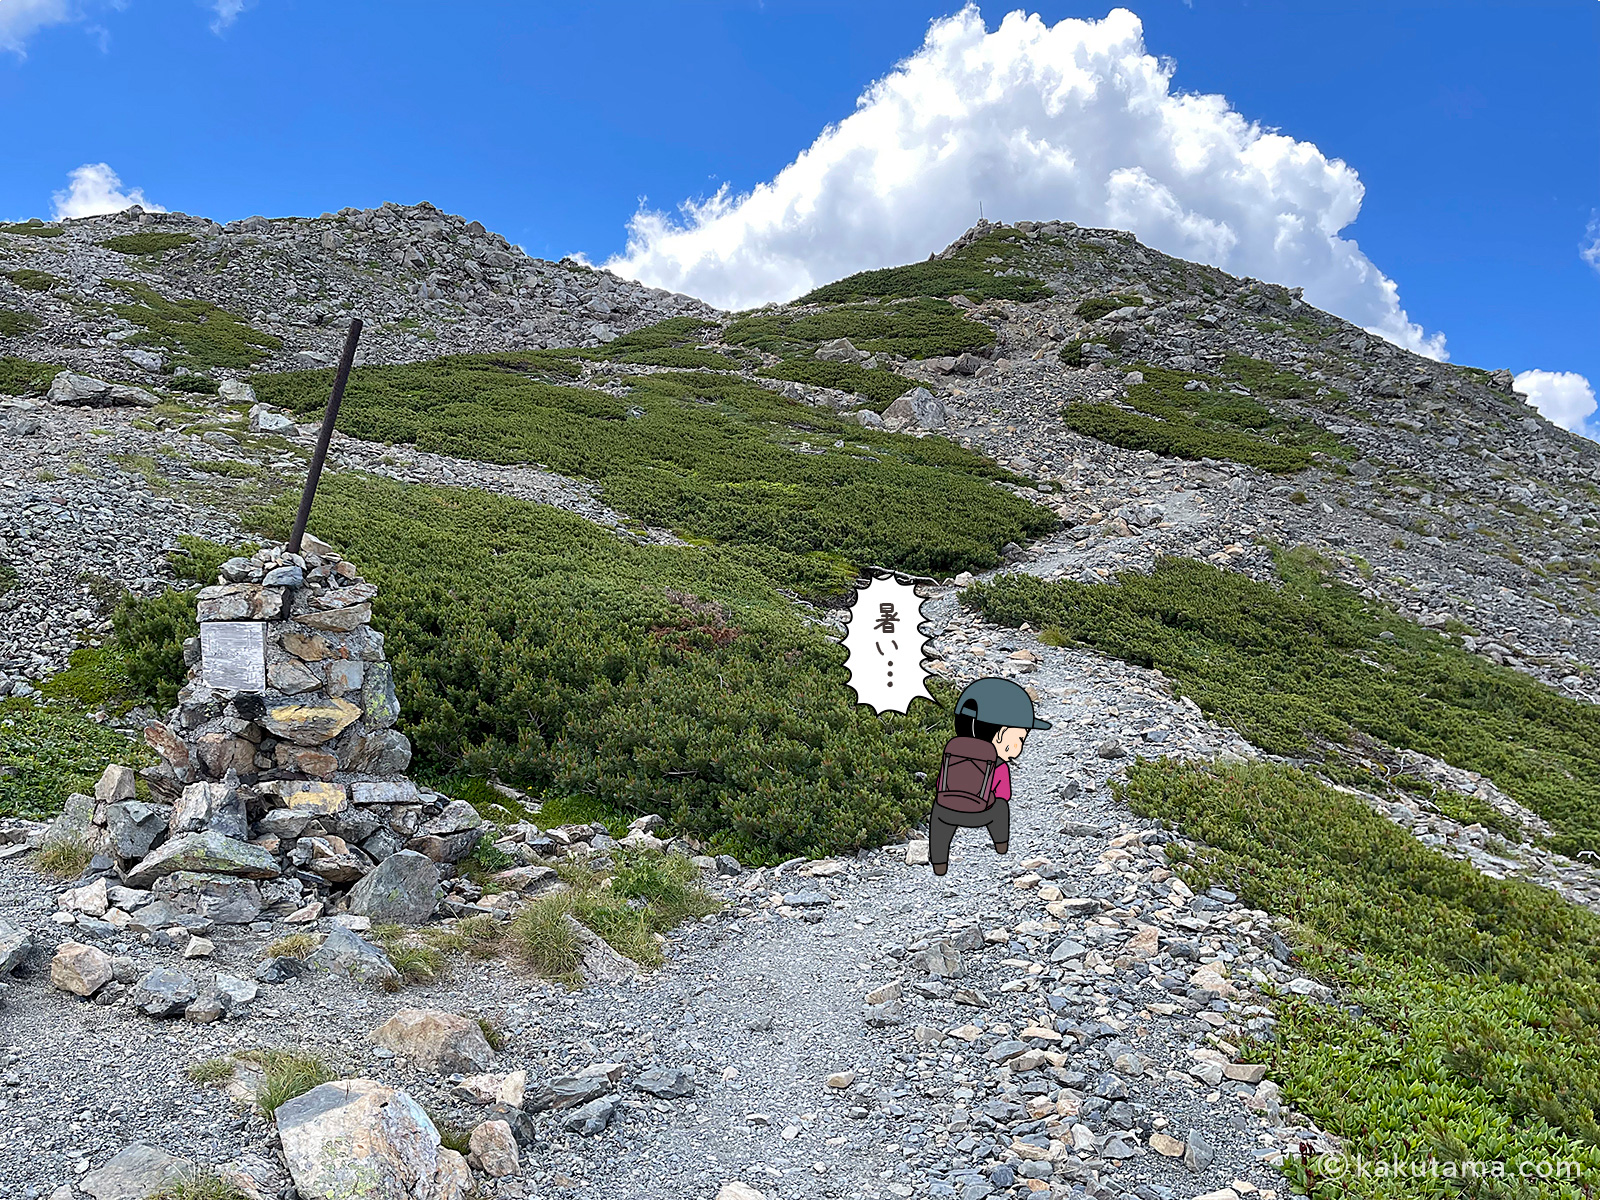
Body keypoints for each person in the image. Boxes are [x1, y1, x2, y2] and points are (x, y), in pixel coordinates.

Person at [928, 676, 1051, 876]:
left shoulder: (953, 749)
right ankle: (1000, 844)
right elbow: (1004, 794)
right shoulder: (999, 765)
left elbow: (941, 781)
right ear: (1001, 734)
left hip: (945, 810)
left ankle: (939, 863)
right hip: (979, 813)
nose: (1020, 746)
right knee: (1001, 807)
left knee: (939, 815)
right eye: (1020, 738)